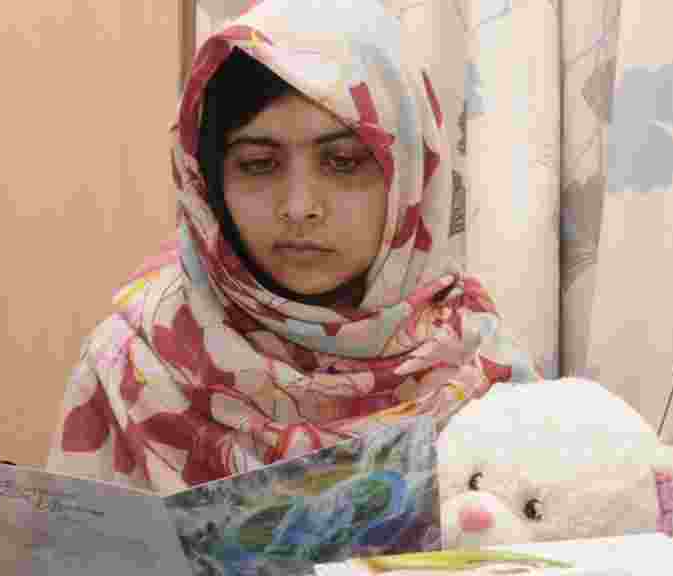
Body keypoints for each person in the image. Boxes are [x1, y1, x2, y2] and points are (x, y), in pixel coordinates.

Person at [45, 0, 538, 492]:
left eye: (343, 162)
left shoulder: (483, 372)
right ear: (210, 183)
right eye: (259, 164)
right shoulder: (131, 364)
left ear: (410, 176)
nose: (300, 206)